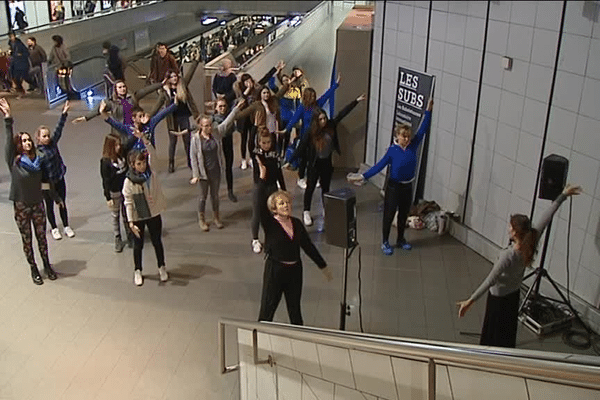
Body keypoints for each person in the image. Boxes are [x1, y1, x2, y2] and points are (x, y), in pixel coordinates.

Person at [457, 184, 582, 348]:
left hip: (498, 298)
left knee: (492, 331)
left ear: (515, 232)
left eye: (510, 226)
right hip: (513, 295)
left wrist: (470, 301)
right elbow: (546, 217)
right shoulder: (532, 240)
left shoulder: (507, 256)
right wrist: (563, 195)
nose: (508, 228)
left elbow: (490, 280)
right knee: (506, 330)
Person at [349, 98, 433, 255]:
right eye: (404, 136)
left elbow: (422, 130)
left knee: (403, 215)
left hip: (408, 186)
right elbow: (379, 165)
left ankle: (401, 239)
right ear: (398, 136)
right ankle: (385, 241)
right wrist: (363, 176)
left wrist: (428, 111)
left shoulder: (413, 146)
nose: (407, 139)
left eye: (408, 136)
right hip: (394, 186)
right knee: (389, 214)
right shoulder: (392, 151)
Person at [255, 165, 333, 325]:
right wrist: (262, 180)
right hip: (275, 271)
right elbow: (258, 201)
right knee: (267, 310)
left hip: (295, 271)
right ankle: (257, 340)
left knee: (295, 311)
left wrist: (323, 266)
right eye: (281, 203)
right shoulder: (269, 223)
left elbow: (308, 246)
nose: (285, 205)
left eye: (287, 202)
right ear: (274, 208)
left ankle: (298, 340)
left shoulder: (296, 224)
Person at [1, 97, 59, 285]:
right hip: (21, 205)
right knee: (27, 239)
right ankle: (33, 267)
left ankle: (47, 265)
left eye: (28, 140)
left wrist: (55, 196)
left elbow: (46, 181)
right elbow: (8, 141)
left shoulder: (39, 160)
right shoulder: (15, 161)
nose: (27, 142)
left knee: (42, 237)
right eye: (23, 140)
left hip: (37, 204)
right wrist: (8, 118)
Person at [289, 93, 366, 227]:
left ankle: (326, 208)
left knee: (326, 187)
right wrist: (290, 160)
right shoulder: (310, 132)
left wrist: (356, 101)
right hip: (314, 164)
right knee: (311, 188)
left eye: (324, 118)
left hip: (326, 163)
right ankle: (306, 211)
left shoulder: (330, 125)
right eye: (321, 119)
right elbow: (300, 148)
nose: (324, 121)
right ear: (316, 121)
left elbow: (342, 114)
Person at [122, 130, 169, 286]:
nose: (142, 166)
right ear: (133, 165)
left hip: (154, 213)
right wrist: (130, 222)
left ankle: (161, 266)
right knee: (138, 244)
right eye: (139, 164)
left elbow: (153, 155)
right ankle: (138, 270)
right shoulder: (129, 182)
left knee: (157, 241)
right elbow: (128, 202)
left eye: (143, 162)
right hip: (139, 216)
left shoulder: (152, 173)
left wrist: (143, 138)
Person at [189, 101, 244, 231]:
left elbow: (226, 123)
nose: (209, 128)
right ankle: (201, 219)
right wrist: (195, 175)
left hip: (215, 170)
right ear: (201, 126)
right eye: (206, 126)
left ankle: (216, 217)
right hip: (203, 173)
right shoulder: (196, 139)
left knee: (215, 195)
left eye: (210, 125)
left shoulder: (216, 133)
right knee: (202, 197)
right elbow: (193, 157)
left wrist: (236, 109)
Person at [283, 76, 341, 189]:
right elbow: (294, 119)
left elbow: (326, 95)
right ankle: (300, 178)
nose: (314, 98)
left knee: (314, 158)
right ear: (307, 97)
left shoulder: (317, 104)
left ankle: (315, 177)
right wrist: (286, 129)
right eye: (312, 96)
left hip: (316, 136)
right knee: (304, 158)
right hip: (306, 136)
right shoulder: (302, 108)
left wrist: (335, 85)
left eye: (314, 96)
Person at [148, 50, 200, 173]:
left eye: (175, 76)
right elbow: (157, 105)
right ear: (168, 79)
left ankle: (190, 160)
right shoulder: (165, 92)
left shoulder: (182, 86)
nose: (174, 78)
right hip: (171, 118)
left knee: (187, 139)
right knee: (173, 141)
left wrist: (196, 61)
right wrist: (149, 116)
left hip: (183, 115)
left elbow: (191, 99)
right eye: (172, 77)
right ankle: (171, 163)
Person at [233, 61, 283, 170]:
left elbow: (265, 78)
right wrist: (247, 90)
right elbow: (241, 101)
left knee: (252, 139)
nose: (248, 83)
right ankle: (243, 159)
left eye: (249, 80)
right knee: (243, 139)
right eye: (245, 81)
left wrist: (275, 69)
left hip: (253, 118)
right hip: (243, 119)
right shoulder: (240, 91)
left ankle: (251, 157)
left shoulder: (257, 89)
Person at [36, 100, 75, 240]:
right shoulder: (38, 153)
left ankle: (66, 225)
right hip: (47, 184)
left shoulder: (52, 144)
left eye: (48, 135)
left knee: (62, 202)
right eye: (44, 136)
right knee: (50, 205)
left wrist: (64, 114)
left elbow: (58, 130)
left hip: (59, 178)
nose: (47, 138)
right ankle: (53, 227)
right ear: (38, 138)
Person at [72, 79, 163, 135]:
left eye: (123, 86)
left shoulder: (132, 97)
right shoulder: (111, 102)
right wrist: (86, 117)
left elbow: (146, 90)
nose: (122, 89)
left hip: (133, 127)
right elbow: (98, 109)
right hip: (120, 129)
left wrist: (161, 84)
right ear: (115, 89)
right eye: (120, 87)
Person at [250, 127, 286, 254]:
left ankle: (272, 237)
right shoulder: (256, 154)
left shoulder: (275, 153)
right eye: (263, 142)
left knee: (274, 214)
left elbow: (279, 172)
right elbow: (258, 175)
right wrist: (262, 174)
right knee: (258, 213)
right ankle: (255, 239)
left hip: (272, 186)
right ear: (259, 142)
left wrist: (283, 188)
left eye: (268, 142)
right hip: (260, 186)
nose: (266, 145)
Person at [100, 98, 177, 153]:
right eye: (140, 116)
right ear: (134, 118)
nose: (142, 118)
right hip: (135, 155)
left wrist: (175, 104)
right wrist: (102, 112)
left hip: (149, 153)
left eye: (143, 115)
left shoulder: (150, 124)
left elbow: (162, 114)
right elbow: (114, 123)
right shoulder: (128, 128)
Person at [101, 133, 132, 252]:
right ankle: (117, 237)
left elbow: (129, 142)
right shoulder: (105, 162)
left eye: (119, 144)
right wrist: (108, 197)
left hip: (125, 189)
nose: (119, 147)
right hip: (114, 192)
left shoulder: (122, 155)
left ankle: (130, 234)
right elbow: (105, 181)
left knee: (126, 213)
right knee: (115, 215)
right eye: (116, 145)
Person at [213, 98, 239, 202]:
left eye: (224, 106)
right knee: (216, 169)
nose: (222, 108)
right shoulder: (213, 119)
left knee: (229, 167)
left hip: (228, 142)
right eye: (220, 106)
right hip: (217, 144)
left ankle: (230, 191)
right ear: (216, 108)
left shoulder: (229, 116)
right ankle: (215, 192)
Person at [7, 32, 32, 97]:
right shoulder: (11, 45)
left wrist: (20, 55)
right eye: (10, 37)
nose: (12, 38)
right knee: (16, 78)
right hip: (15, 64)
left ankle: (35, 86)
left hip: (21, 63)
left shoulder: (19, 44)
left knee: (25, 77)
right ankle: (21, 91)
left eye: (12, 36)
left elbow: (26, 53)